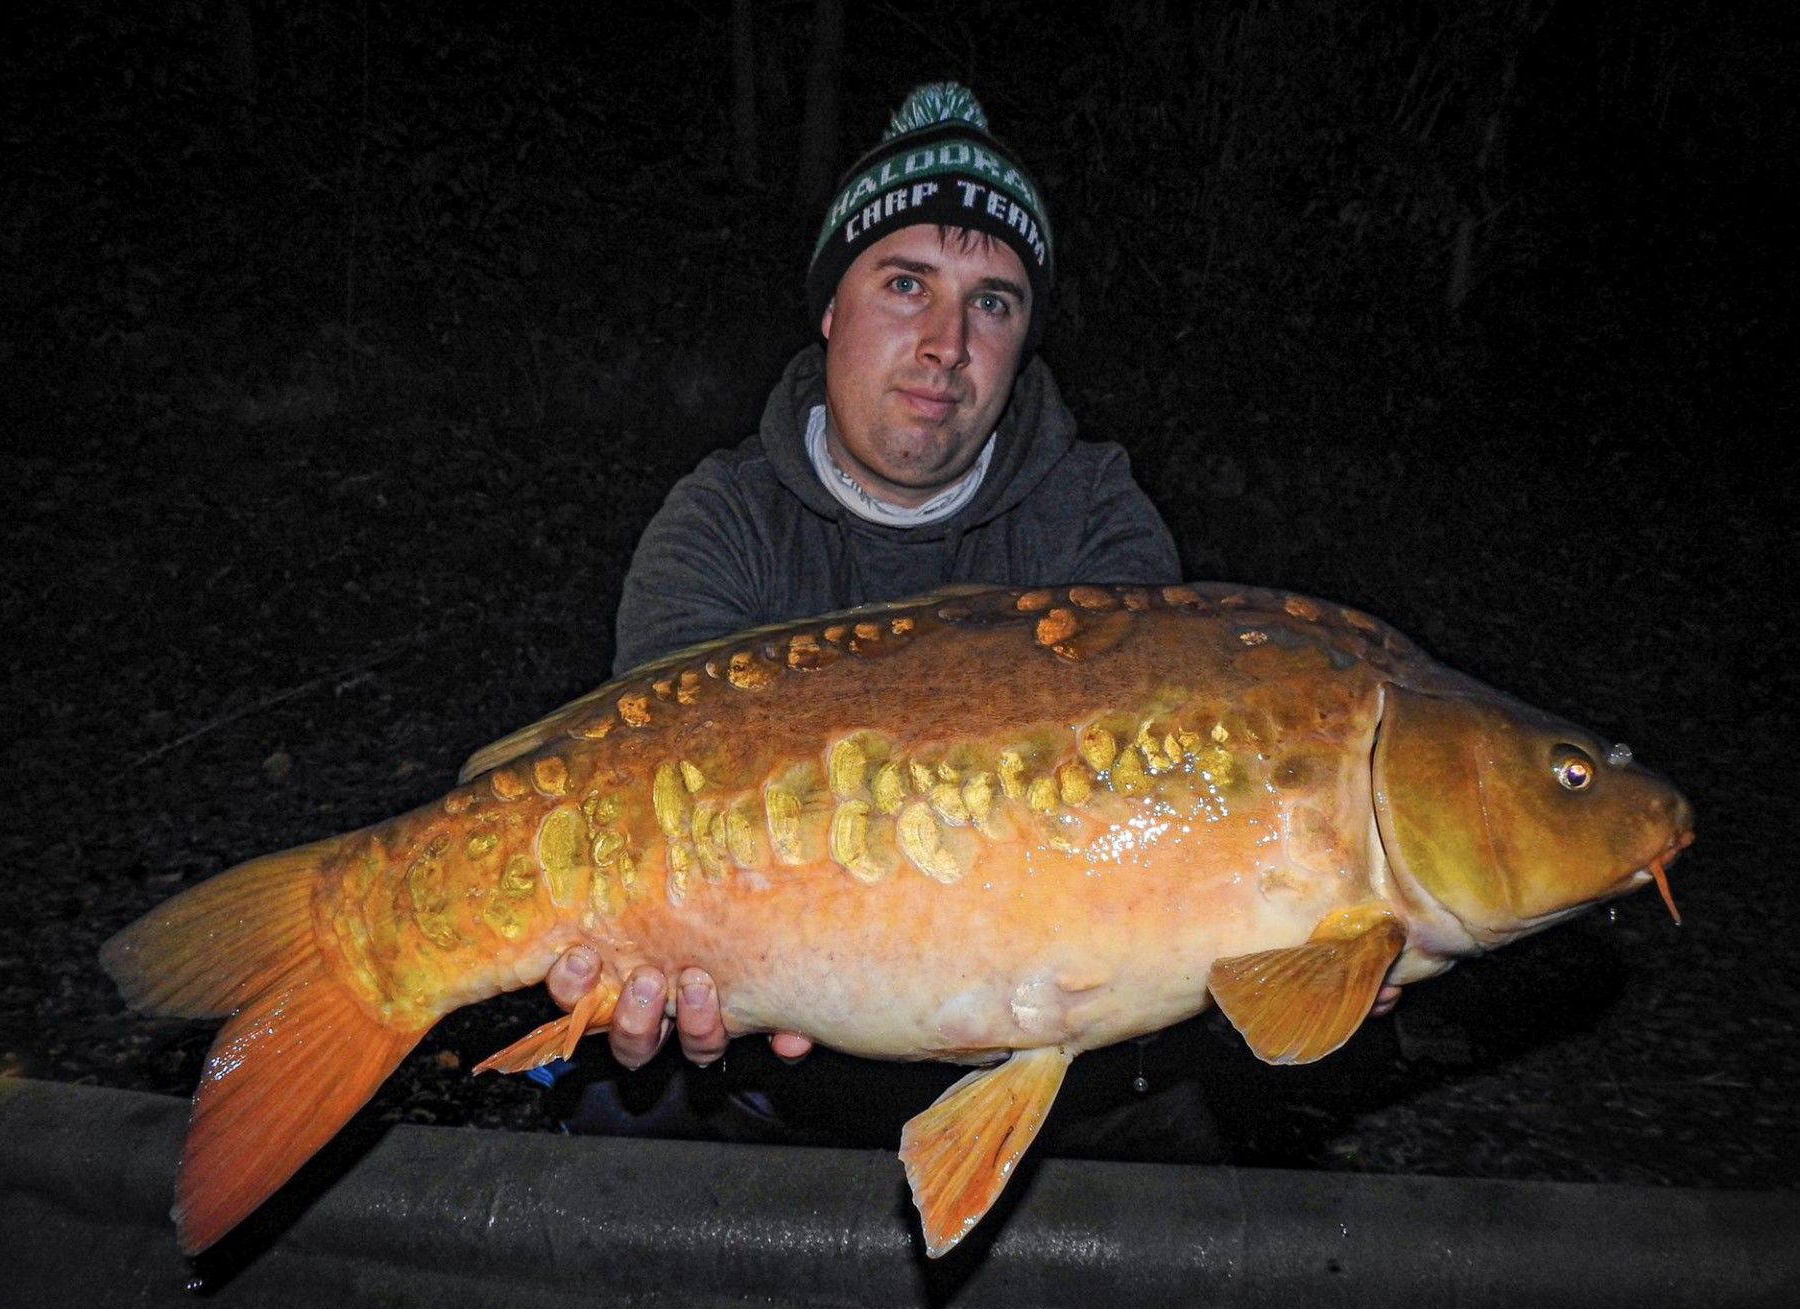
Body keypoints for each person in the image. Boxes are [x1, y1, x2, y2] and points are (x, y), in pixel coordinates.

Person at [543, 84, 1399, 1110]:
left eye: (992, 302)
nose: (947, 344)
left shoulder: (1095, 521)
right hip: (769, 1070)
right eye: (906, 284)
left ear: (1024, 337)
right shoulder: (720, 524)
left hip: (1057, 1053)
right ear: (829, 308)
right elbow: (658, 817)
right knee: (611, 1098)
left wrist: (1315, 953)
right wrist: (646, 969)